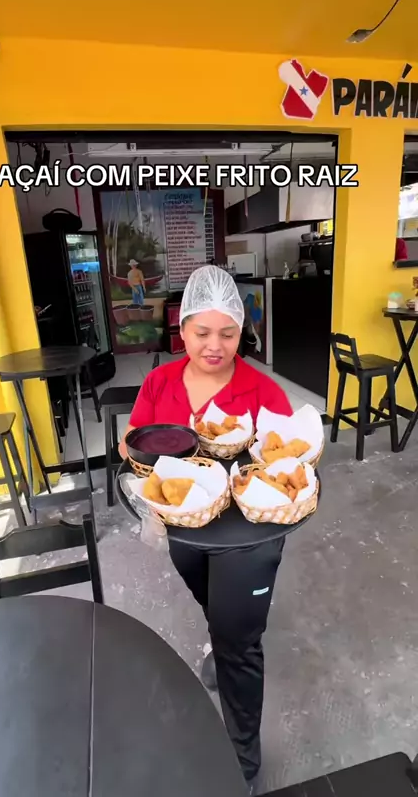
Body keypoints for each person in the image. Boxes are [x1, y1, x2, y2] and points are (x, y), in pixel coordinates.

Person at [119, 265, 293, 794]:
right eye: (202, 332)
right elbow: (133, 437)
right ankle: (221, 640)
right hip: (186, 531)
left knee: (241, 645)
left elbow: (293, 463)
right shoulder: (160, 382)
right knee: (211, 602)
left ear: (242, 333)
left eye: (227, 333)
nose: (214, 346)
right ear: (182, 329)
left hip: (249, 543)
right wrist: (140, 457)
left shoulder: (263, 392)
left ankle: (243, 765)